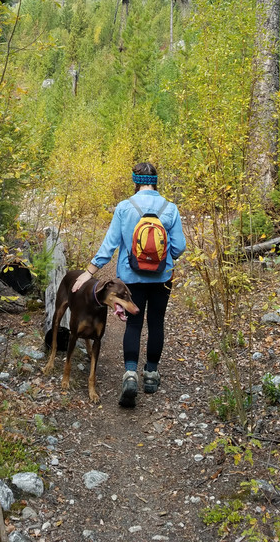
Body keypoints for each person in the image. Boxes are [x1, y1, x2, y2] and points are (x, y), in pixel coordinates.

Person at [81, 162, 186, 408]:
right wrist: (163, 257)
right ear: (156, 181)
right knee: (156, 322)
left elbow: (109, 245)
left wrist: (88, 272)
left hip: (130, 278)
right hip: (162, 277)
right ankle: (150, 375)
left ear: (135, 180)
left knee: (134, 324)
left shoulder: (124, 207)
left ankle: (130, 374)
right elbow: (179, 247)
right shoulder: (170, 208)